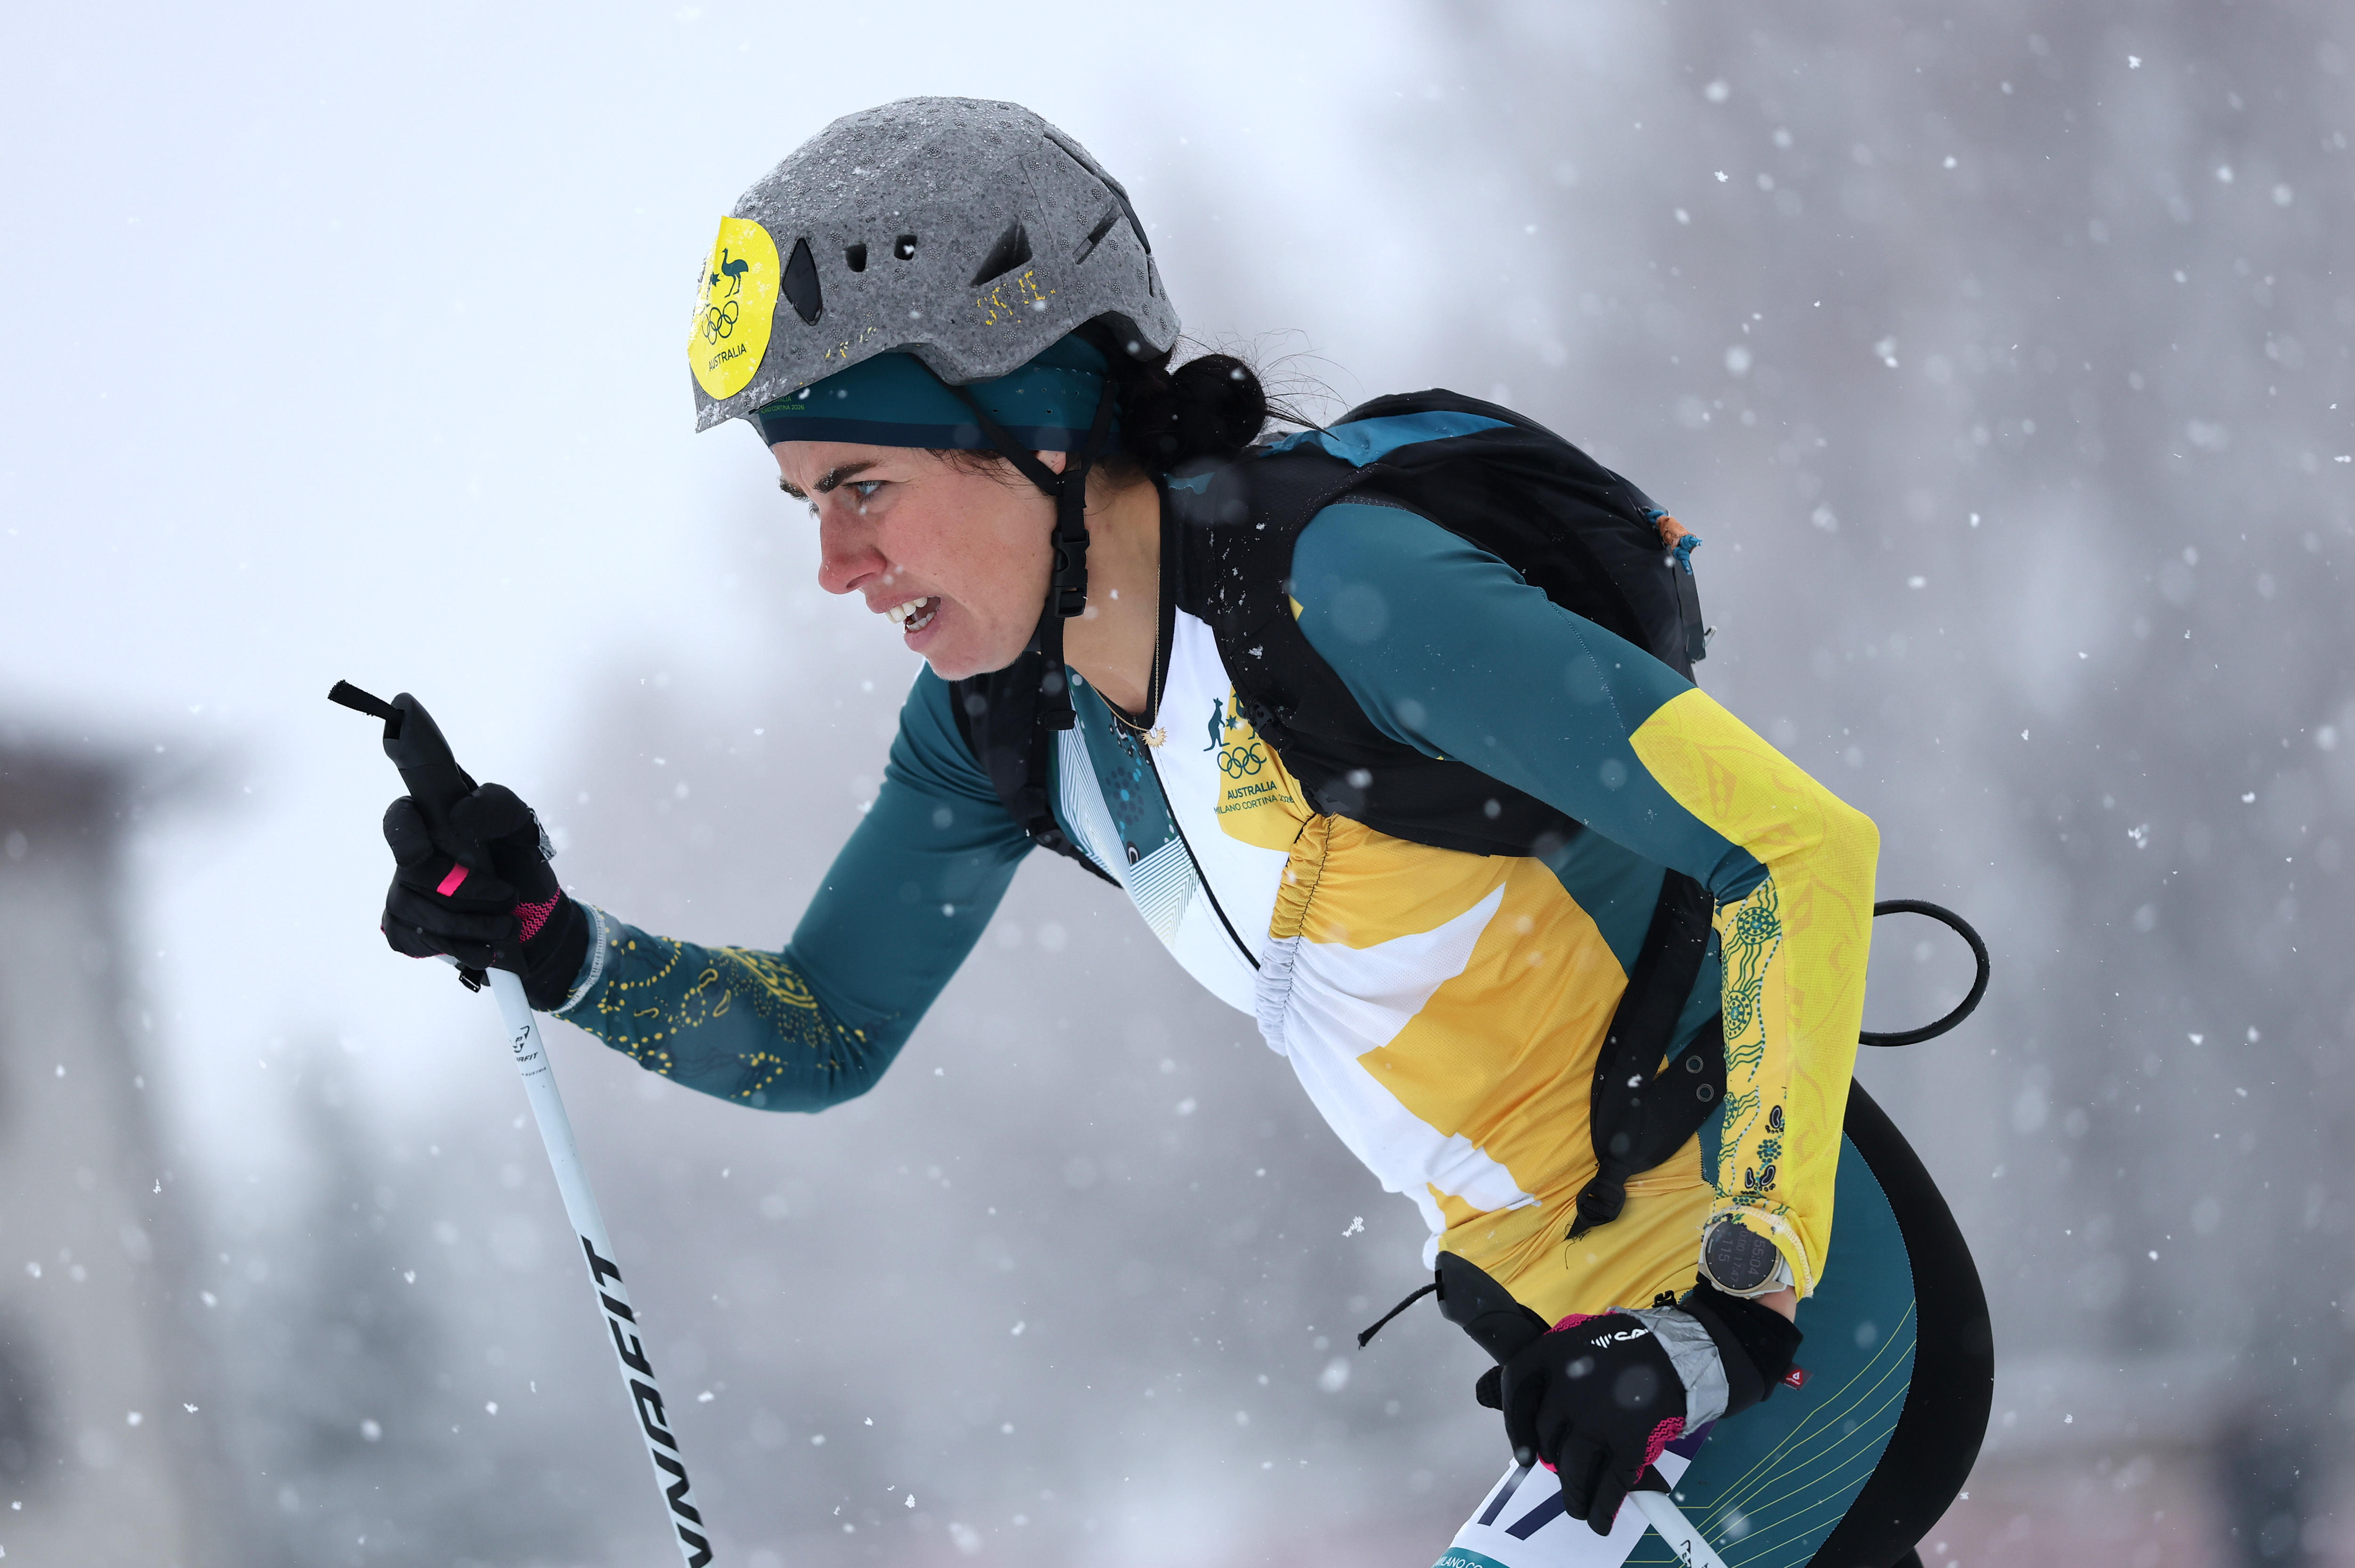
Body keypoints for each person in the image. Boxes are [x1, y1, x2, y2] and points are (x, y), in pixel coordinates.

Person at [376, 97, 1981, 1568]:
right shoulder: (1010, 722)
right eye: (806, 503)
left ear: (1040, 425)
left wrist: (1733, 1314)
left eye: (863, 484)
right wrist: (554, 945)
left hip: (1785, 1319)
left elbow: (1792, 849)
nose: (836, 567)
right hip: (1585, 1365)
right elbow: (823, 1030)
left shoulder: (1349, 596)